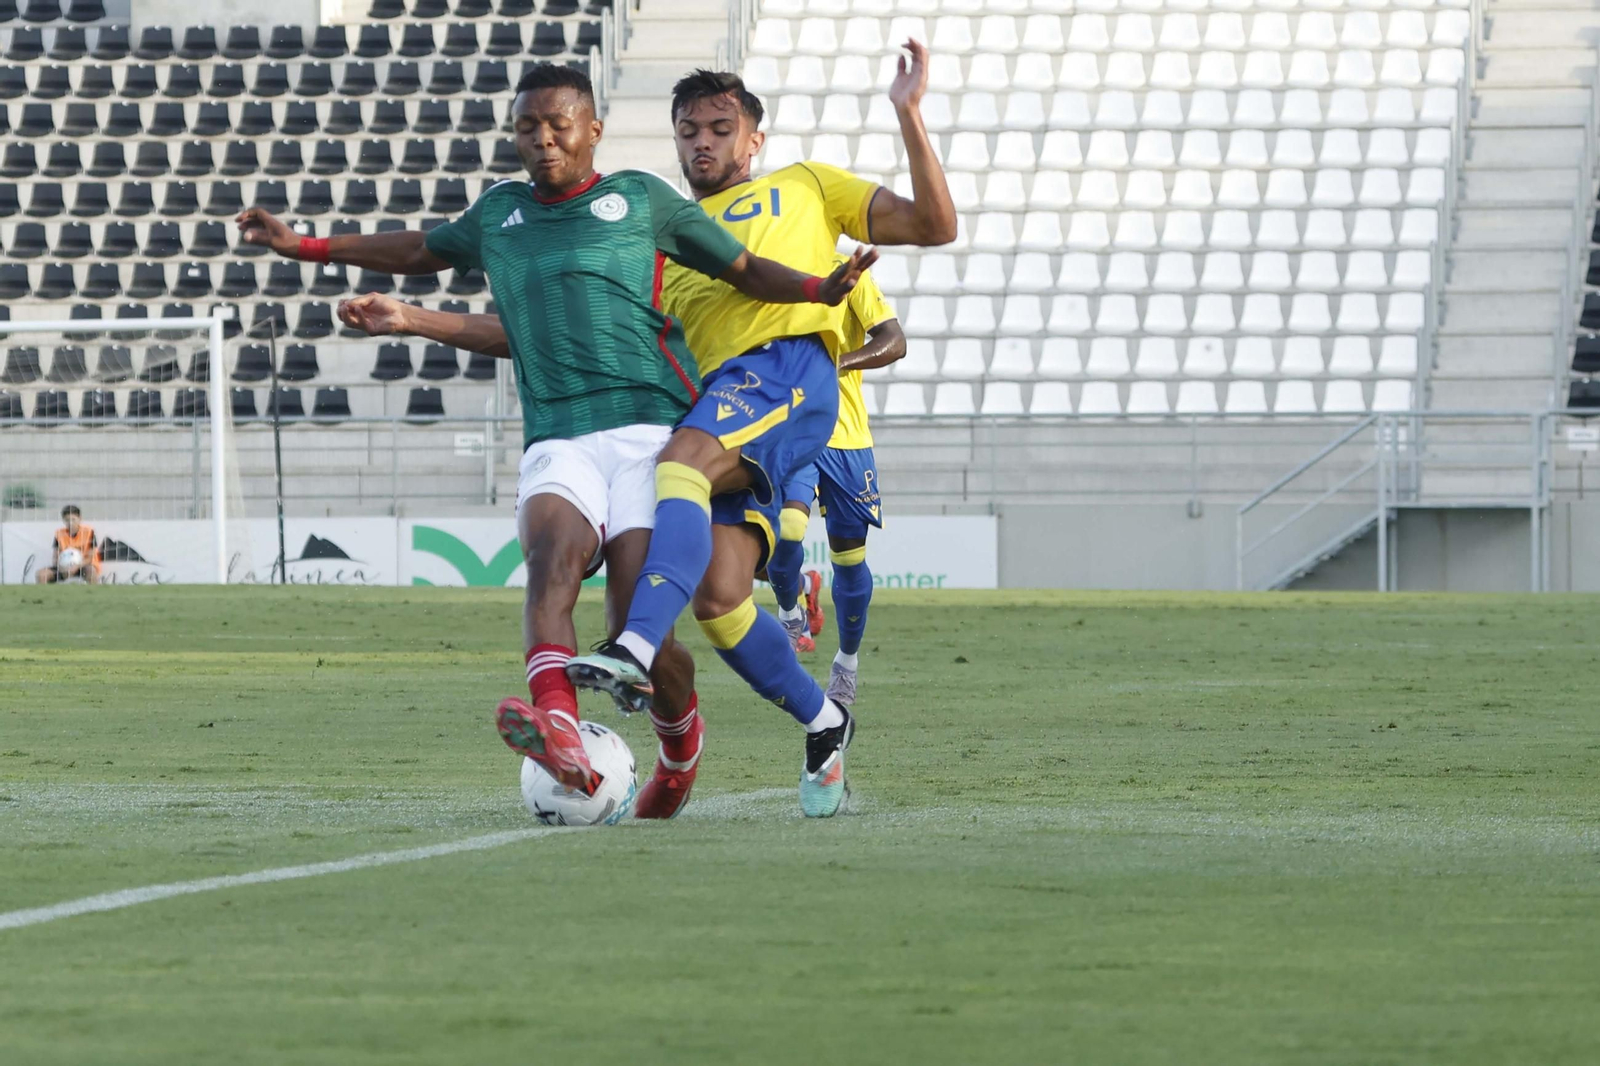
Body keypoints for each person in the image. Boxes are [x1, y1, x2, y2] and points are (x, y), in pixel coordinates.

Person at [239, 63, 870, 816]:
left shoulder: (642, 200)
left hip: (650, 432)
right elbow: (420, 250)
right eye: (527, 127)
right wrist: (308, 248)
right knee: (551, 566)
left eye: (557, 125)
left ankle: (679, 748)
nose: (542, 139)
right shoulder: (499, 215)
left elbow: (744, 269)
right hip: (558, 436)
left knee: (637, 626)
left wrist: (816, 289)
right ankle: (562, 735)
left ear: (592, 130)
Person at [568, 44, 956, 818]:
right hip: (724, 408)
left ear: (754, 140)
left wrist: (909, 115)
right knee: (720, 601)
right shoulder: (666, 239)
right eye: (689, 131)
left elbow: (934, 224)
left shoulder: (803, 185)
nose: (703, 143)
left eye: (721, 128)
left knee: (682, 464)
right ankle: (824, 720)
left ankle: (635, 648)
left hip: (789, 371)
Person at [765, 257, 905, 715]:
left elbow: (894, 342)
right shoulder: (769, 265)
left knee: (849, 559)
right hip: (792, 431)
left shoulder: (846, 271)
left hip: (846, 439)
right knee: (786, 530)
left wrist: (835, 364)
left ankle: (846, 663)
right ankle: (791, 615)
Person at [36, 504, 100, 584]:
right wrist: (62, 568)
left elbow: (90, 558)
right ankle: (44, 592)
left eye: (73, 519)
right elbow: (56, 557)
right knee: (41, 574)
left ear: (80, 519)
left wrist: (76, 566)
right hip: (64, 567)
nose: (70, 523)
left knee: (91, 571)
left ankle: (92, 591)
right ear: (63, 520)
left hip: (83, 566)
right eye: (67, 520)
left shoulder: (89, 532)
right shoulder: (59, 534)